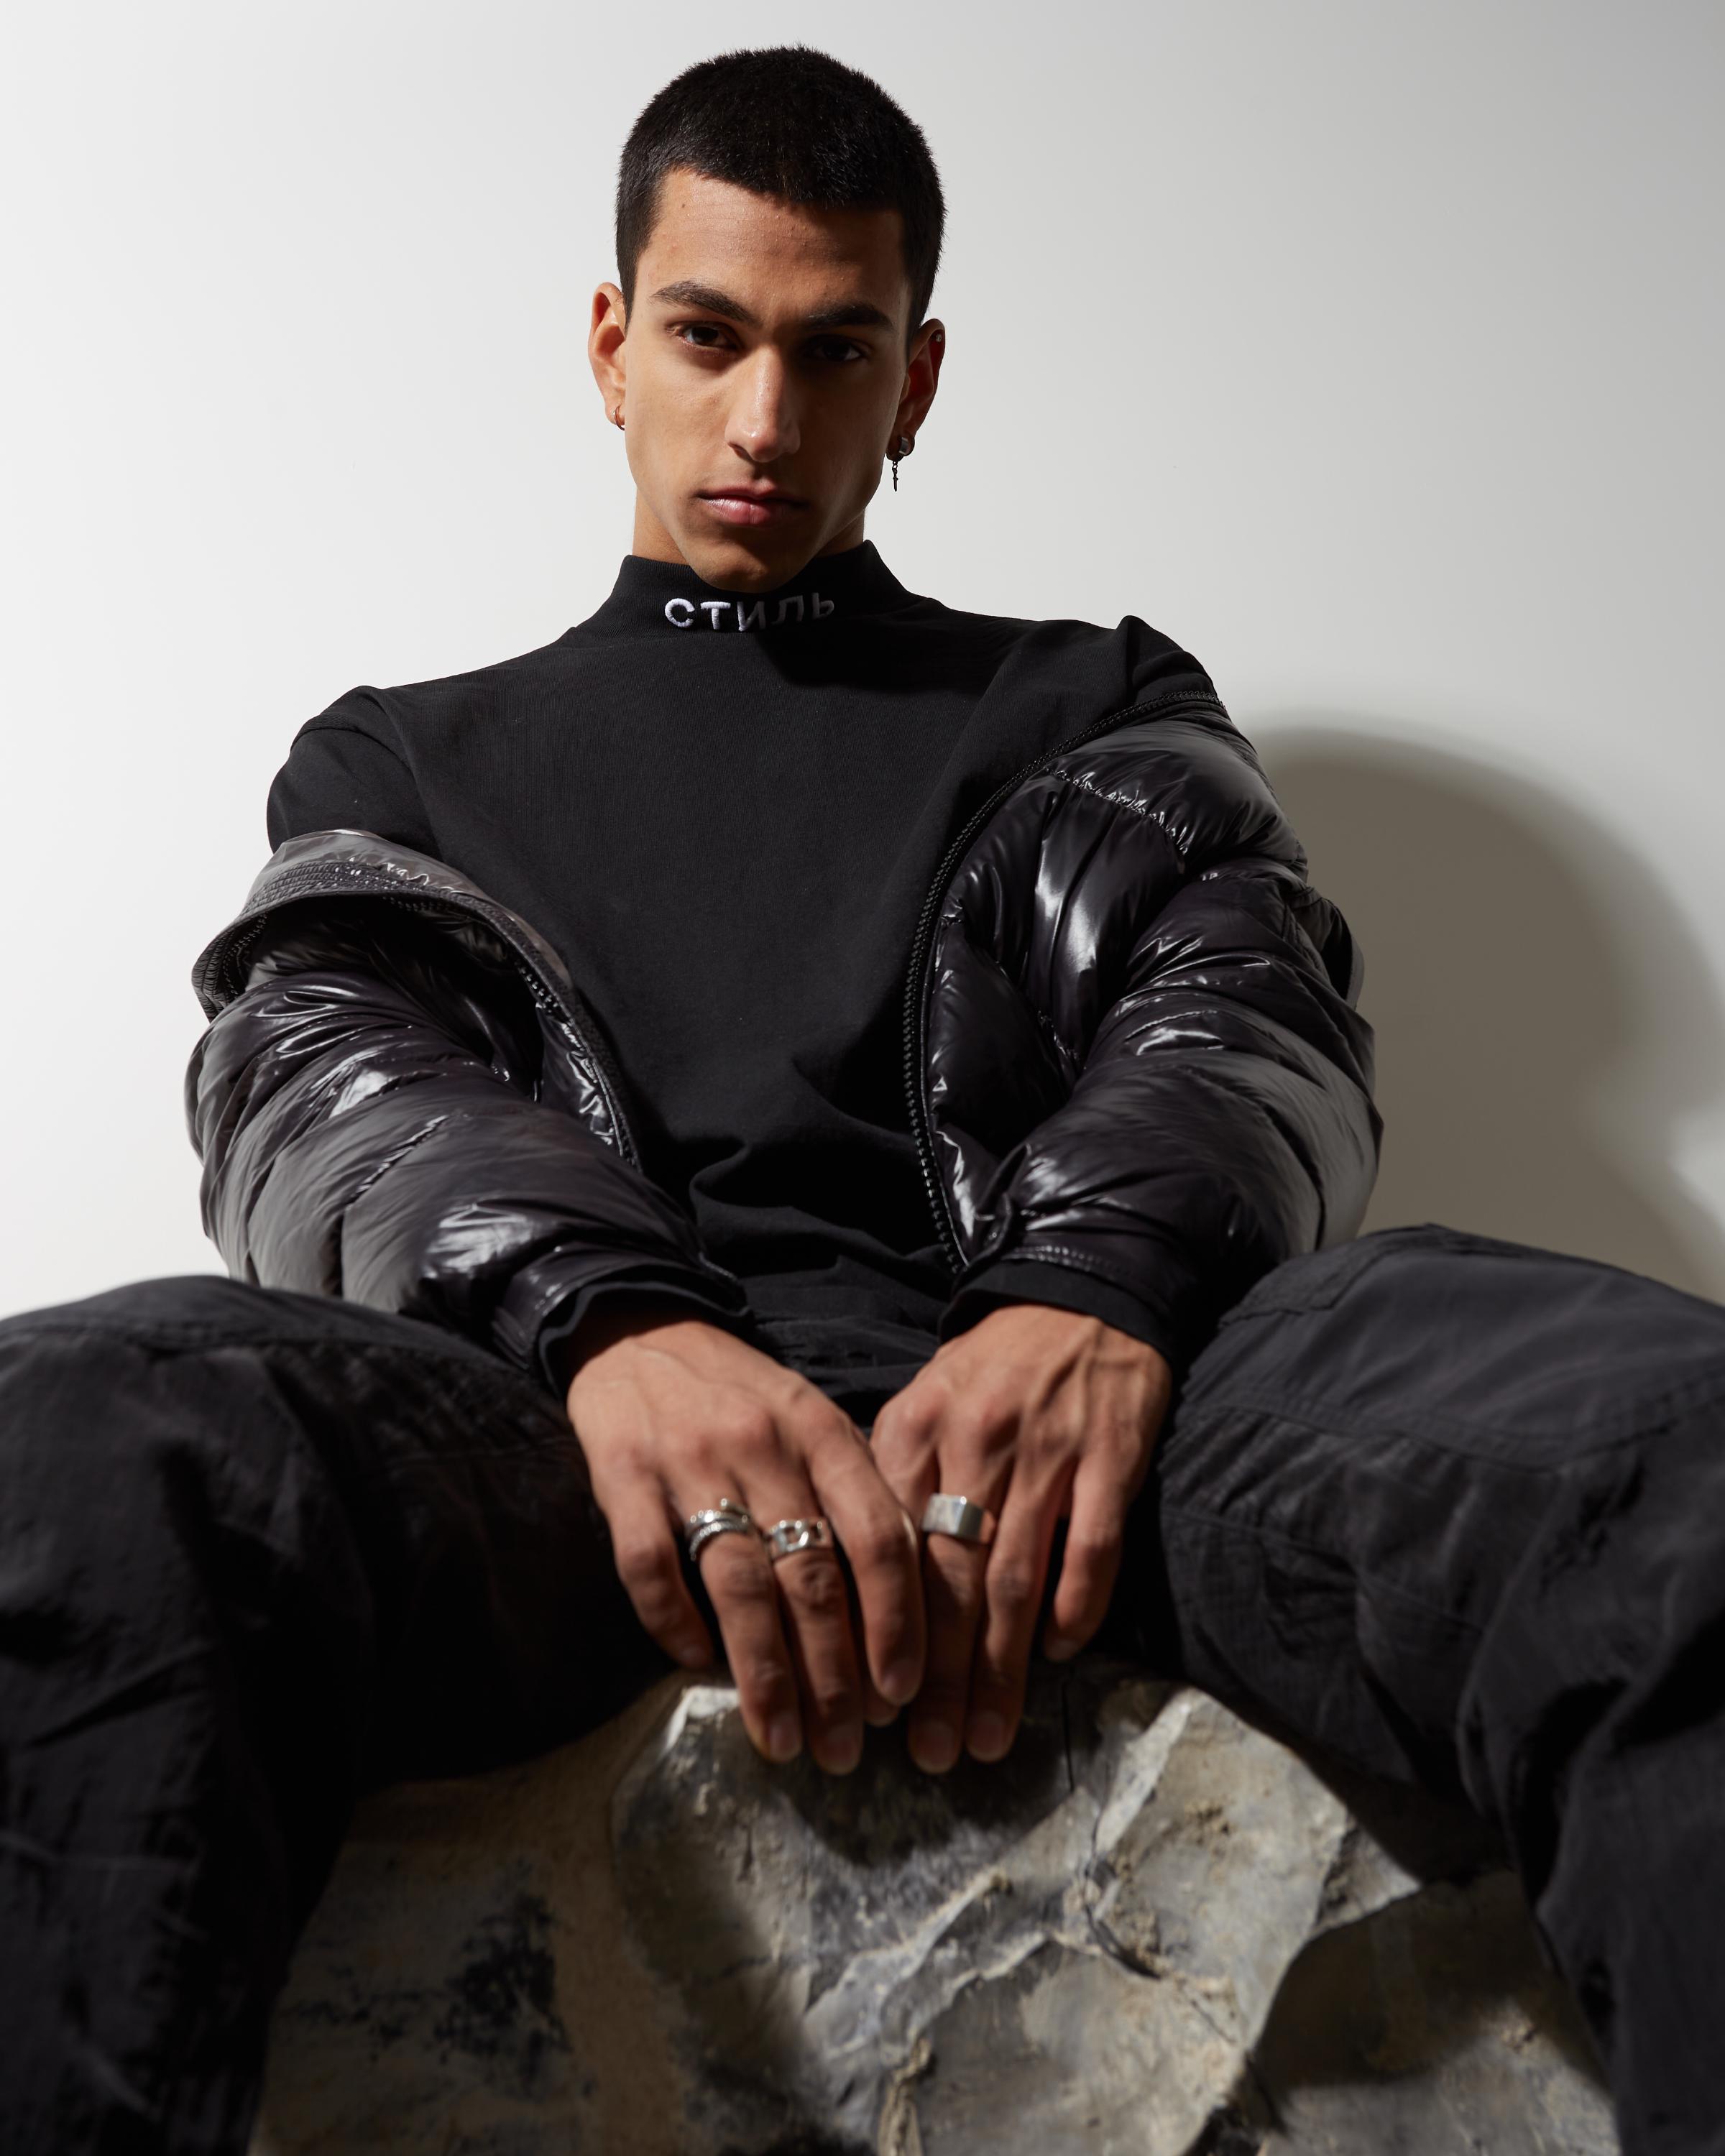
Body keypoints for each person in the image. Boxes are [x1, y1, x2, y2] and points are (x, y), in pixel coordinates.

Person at [1, 41, 1719, 2156]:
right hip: (562, 1445)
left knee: (1676, 1460)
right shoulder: (397, 762)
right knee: (58, 1446)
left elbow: (1239, 1001)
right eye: (711, 337)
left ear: (917, 380)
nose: (765, 420)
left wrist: (1092, 1291)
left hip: (1102, 1421)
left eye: (838, 352)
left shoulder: (1095, 699)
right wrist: (608, 1322)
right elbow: (323, 1074)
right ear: (613, 342)